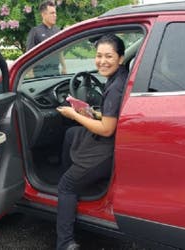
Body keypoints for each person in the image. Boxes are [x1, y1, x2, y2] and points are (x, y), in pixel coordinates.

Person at [56, 34, 127, 250]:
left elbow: (107, 130)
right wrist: (92, 113)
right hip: (113, 140)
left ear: (121, 58)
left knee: (66, 186)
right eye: (99, 56)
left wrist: (74, 115)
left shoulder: (115, 87)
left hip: (108, 147)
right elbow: (109, 117)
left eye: (109, 56)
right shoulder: (120, 77)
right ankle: (78, 183)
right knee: (71, 135)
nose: (102, 61)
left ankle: (66, 243)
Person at [26, 0, 66, 75]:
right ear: (43, 15)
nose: (55, 15)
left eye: (55, 13)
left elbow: (60, 52)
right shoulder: (35, 31)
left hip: (55, 72)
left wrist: (64, 67)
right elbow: (28, 56)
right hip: (40, 73)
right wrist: (31, 76)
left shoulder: (57, 31)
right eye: (52, 13)